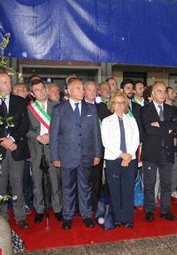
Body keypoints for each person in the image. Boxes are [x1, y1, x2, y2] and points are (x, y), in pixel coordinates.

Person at [50, 78, 102, 230]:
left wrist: (97, 154)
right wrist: (55, 157)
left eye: (82, 88)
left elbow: (96, 134)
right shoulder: (59, 109)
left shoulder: (91, 109)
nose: (82, 91)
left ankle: (86, 215)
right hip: (67, 156)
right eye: (79, 88)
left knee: (85, 187)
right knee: (67, 188)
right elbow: (54, 136)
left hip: (86, 155)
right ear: (69, 91)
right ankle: (68, 216)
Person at [0, 72, 31, 229]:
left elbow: (24, 124)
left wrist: (12, 139)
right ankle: (2, 217)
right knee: (0, 185)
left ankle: (20, 216)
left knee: (17, 184)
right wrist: (3, 141)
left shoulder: (20, 101)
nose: (8, 85)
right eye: (4, 82)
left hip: (16, 148)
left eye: (9, 82)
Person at [141, 82, 177, 222]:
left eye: (164, 91)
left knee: (166, 184)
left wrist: (160, 125)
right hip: (151, 152)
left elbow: (176, 125)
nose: (163, 94)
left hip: (167, 152)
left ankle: (165, 210)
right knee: (150, 184)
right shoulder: (145, 110)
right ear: (152, 94)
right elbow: (149, 130)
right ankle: (149, 210)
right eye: (159, 91)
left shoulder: (171, 109)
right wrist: (167, 129)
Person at [101, 93, 140, 228]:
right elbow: (106, 142)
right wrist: (121, 155)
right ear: (112, 105)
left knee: (128, 190)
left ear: (126, 105)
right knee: (115, 190)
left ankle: (128, 219)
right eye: (116, 102)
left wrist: (128, 155)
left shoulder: (132, 120)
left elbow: (136, 140)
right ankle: (117, 218)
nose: (119, 105)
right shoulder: (106, 121)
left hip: (130, 159)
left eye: (122, 102)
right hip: (113, 159)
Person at [26, 79, 63, 223]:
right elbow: (25, 129)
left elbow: (62, 128)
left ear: (46, 90)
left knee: (55, 181)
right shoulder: (29, 109)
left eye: (42, 88)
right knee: (37, 182)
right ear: (32, 93)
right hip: (36, 149)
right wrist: (37, 137)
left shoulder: (57, 107)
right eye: (37, 90)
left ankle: (58, 209)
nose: (40, 92)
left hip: (53, 149)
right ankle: (40, 210)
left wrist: (50, 136)